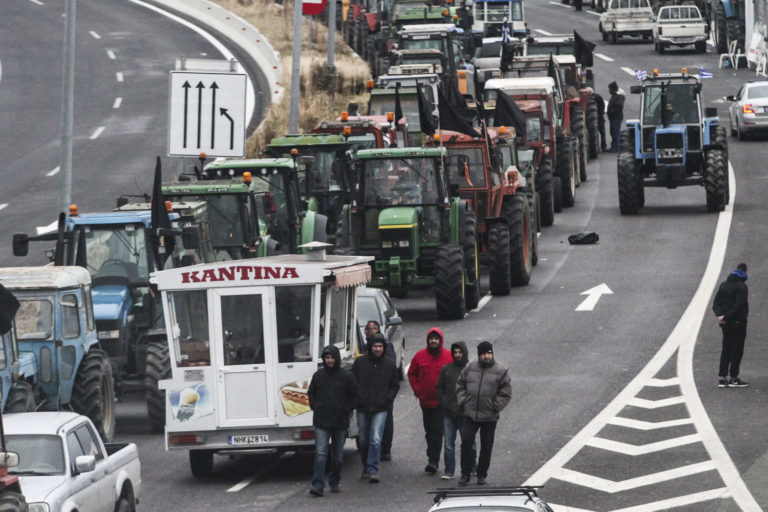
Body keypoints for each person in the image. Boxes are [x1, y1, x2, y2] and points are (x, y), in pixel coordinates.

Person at [307, 345, 360, 496]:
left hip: (340, 423)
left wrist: (346, 409)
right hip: (321, 421)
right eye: (327, 358)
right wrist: (315, 406)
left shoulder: (347, 376)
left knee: (337, 456)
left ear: (337, 358)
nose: (329, 361)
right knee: (320, 453)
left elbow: (355, 395)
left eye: (332, 358)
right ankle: (318, 484)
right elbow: (311, 393)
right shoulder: (318, 376)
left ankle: (335, 480)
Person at [456, 341, 512, 486]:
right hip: (470, 414)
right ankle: (465, 474)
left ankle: (482, 474)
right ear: (479, 355)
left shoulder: (501, 370)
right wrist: (463, 401)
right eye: (483, 354)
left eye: (489, 353)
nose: (486, 356)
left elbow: (505, 392)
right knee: (466, 442)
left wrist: (495, 406)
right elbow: (460, 384)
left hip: (489, 416)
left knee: (487, 446)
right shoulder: (470, 367)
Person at [351, 333, 399, 483]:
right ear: (370, 347)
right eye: (375, 346)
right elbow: (352, 383)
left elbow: (394, 385)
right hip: (363, 407)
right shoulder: (360, 363)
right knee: (364, 440)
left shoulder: (389, 364)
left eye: (380, 346)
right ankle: (366, 465)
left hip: (381, 407)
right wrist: (357, 399)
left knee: (376, 438)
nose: (377, 349)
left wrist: (387, 399)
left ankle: (373, 469)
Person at [407, 328, 453, 475]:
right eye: (431, 339)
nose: (434, 341)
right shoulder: (420, 356)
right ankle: (432, 455)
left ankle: (433, 461)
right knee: (429, 431)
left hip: (441, 403)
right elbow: (411, 373)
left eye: (436, 339)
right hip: (425, 402)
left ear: (440, 340)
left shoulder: (448, 356)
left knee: (437, 431)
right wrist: (418, 390)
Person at [436, 341, 476, 480]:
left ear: (464, 352)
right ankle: (449, 471)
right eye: (455, 352)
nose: (457, 355)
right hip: (449, 412)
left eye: (460, 352)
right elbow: (439, 387)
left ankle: (472, 467)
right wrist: (443, 401)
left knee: (469, 442)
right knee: (448, 444)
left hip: (465, 413)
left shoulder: (471, 369)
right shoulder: (446, 369)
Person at [713, 263, 750, 388]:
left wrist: (720, 316)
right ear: (744, 272)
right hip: (738, 323)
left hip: (725, 324)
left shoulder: (724, 284)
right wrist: (727, 317)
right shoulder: (742, 287)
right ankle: (734, 377)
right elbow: (738, 305)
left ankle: (722, 377)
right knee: (737, 350)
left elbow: (716, 303)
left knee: (726, 349)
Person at [364, 320, 396, 461]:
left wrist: (388, 396)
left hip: (384, 393)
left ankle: (385, 449)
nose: (365, 331)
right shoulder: (367, 346)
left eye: (368, 329)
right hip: (370, 394)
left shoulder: (385, 345)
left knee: (386, 420)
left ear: (376, 330)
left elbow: (391, 369)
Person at [607, 81, 625, 152]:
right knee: (612, 132)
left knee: (616, 132)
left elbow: (620, 106)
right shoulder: (614, 97)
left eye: (610, 89)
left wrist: (612, 111)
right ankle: (614, 145)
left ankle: (616, 147)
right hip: (613, 118)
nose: (609, 91)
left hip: (616, 118)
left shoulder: (618, 97)